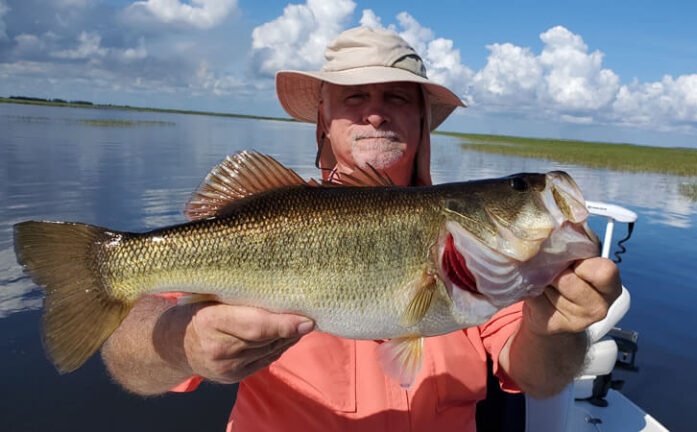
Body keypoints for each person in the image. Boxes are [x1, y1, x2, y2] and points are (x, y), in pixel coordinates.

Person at [101, 26, 621, 431]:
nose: (375, 114)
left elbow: (539, 377)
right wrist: (177, 341)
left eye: (397, 98)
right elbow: (128, 359)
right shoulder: (272, 217)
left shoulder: (488, 267)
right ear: (323, 120)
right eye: (354, 98)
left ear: (422, 122)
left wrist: (553, 327)